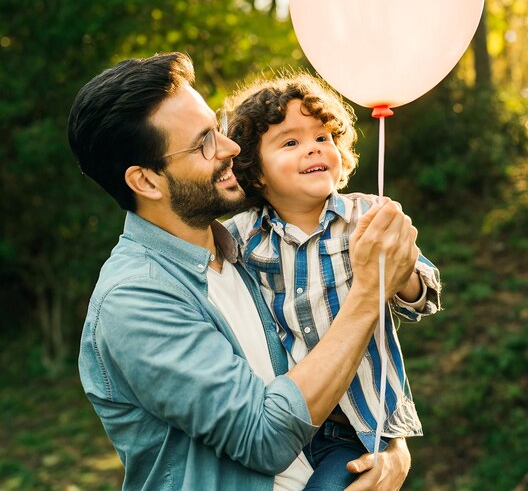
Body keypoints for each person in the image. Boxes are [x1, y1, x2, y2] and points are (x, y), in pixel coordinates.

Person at [67, 52, 421, 491]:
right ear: (146, 182)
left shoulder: (248, 252)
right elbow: (264, 438)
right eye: (204, 144)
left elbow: (328, 367)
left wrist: (387, 444)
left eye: (217, 128)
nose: (231, 148)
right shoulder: (135, 300)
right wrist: (368, 292)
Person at [223, 73, 442, 490]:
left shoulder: (367, 215)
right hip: (282, 416)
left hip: (358, 426)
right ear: (256, 173)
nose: (313, 147)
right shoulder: (240, 236)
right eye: (290, 142)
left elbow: (425, 297)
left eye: (322, 137)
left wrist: (398, 274)